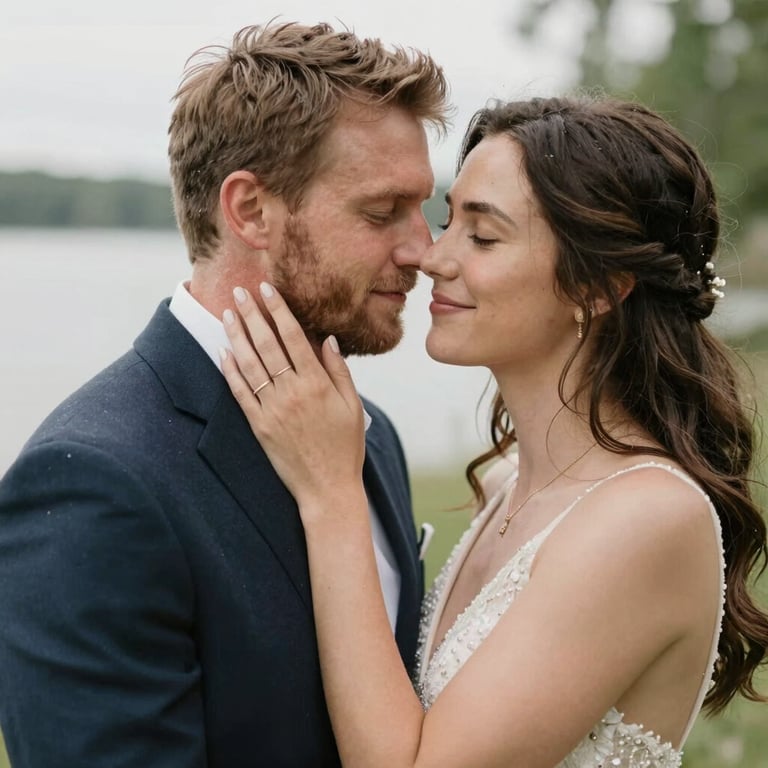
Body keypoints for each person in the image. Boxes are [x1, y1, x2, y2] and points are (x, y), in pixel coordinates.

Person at [220, 95, 768, 767]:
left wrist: (331, 495)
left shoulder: (648, 518)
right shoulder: (508, 485)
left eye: (482, 237)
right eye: (449, 221)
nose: (431, 257)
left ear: (600, 287)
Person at [0, 21, 448, 767]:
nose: (422, 250)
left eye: (422, 208)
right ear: (249, 211)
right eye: (380, 213)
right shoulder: (94, 483)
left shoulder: (372, 435)